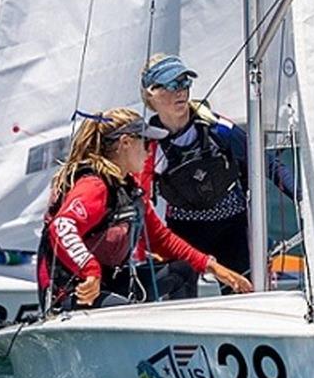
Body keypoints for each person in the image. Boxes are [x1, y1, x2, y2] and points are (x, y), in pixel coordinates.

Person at [37, 107, 252, 312]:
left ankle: (181, 341)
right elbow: (62, 227)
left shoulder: (129, 190)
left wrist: (216, 269)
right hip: (75, 292)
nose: (150, 151)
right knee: (128, 312)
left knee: (183, 271)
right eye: (146, 143)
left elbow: (161, 240)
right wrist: (90, 271)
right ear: (126, 143)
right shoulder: (94, 185)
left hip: (108, 282)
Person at [139, 54, 297, 286]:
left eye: (185, 83)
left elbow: (268, 163)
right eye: (172, 84)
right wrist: (143, 250)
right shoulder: (147, 146)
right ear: (151, 92)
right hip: (183, 234)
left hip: (233, 228)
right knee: (181, 300)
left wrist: (300, 197)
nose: (181, 91)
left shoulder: (219, 129)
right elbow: (141, 201)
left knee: (245, 293)